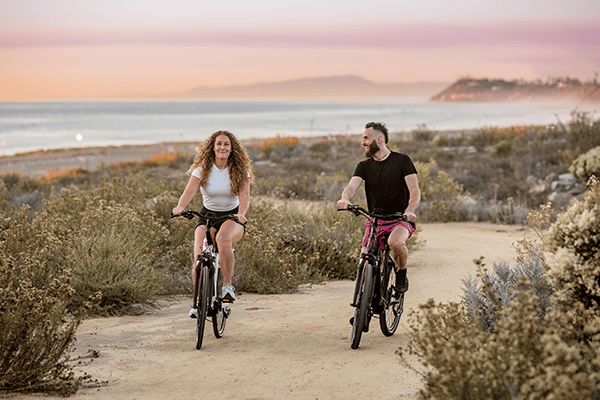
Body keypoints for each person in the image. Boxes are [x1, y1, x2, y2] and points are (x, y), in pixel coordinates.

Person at [173, 130, 253, 318]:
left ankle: (226, 287)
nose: (222, 147)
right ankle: (198, 302)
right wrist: (180, 207)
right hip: (206, 216)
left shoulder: (240, 170)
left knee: (222, 238)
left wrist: (241, 214)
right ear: (213, 147)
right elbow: (190, 190)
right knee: (199, 261)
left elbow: (245, 196)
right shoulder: (203, 169)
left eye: (226, 144)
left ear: (232, 148)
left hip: (232, 217)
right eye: (219, 144)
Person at [337, 122, 420, 294]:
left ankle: (401, 273)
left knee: (395, 243)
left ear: (379, 140)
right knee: (365, 261)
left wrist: (410, 210)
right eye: (363, 138)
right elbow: (352, 187)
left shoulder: (402, 161)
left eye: (366, 138)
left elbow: (414, 191)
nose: (363, 142)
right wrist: (345, 198)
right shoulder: (364, 166)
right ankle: (364, 308)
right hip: (375, 221)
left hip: (400, 219)